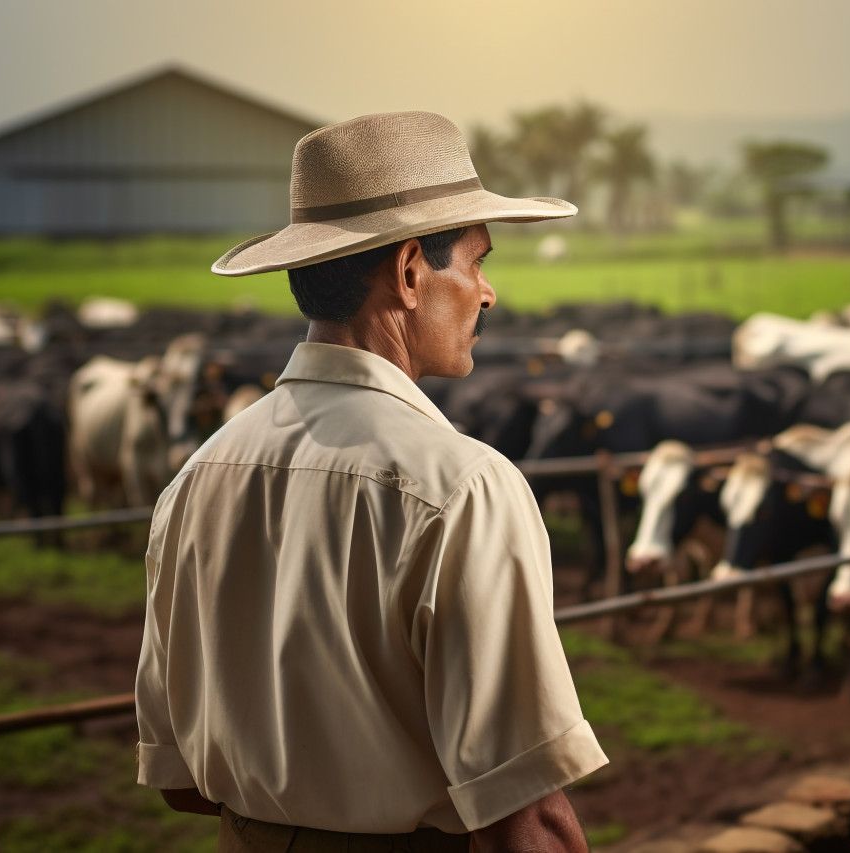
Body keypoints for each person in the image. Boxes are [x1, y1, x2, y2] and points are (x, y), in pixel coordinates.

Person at [135, 112, 608, 852]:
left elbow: (178, 779)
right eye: (477, 262)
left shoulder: (196, 479)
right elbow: (528, 816)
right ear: (411, 271)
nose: (487, 293)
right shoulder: (462, 486)